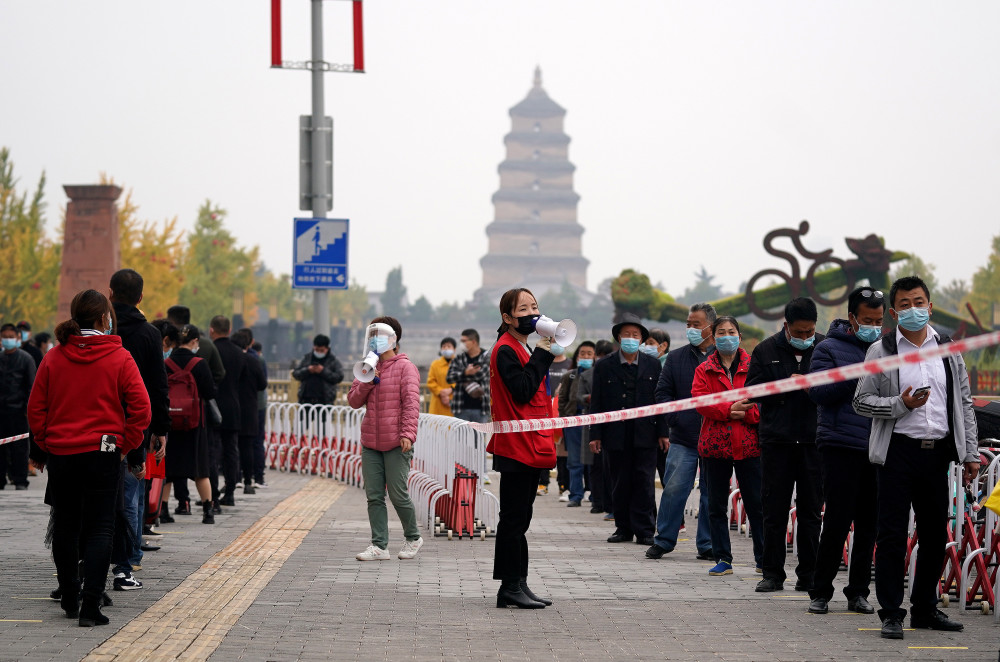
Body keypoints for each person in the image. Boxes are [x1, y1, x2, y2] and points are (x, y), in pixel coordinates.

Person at [854, 275, 978, 639]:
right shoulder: (882, 350)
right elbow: (861, 401)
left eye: (919, 302)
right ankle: (891, 612)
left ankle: (925, 608)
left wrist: (969, 451)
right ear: (894, 312)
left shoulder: (948, 350)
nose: (913, 309)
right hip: (897, 452)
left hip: (937, 453)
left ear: (930, 306)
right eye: (905, 304)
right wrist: (900, 404)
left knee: (934, 535)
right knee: (892, 535)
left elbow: (964, 404)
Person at [27, 289, 151, 627]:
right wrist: (126, 444)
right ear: (103, 319)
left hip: (63, 453)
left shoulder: (54, 357)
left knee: (65, 525)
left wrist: (45, 440)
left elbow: (36, 408)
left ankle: (69, 595)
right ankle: (91, 604)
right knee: (100, 527)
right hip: (104, 452)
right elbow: (141, 407)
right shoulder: (119, 357)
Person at [806, 287, 885, 616]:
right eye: (868, 320)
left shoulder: (887, 350)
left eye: (879, 320)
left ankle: (858, 592)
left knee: (869, 524)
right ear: (852, 318)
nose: (874, 326)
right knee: (837, 519)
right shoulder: (828, 348)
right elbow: (818, 392)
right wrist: (855, 376)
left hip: (877, 445)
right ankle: (821, 591)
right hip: (839, 444)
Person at [747, 297, 825, 593]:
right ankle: (772, 573)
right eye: (799, 332)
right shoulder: (766, 350)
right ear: (786, 326)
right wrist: (783, 386)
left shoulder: (825, 348)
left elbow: (836, 388)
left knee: (810, 511)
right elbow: (752, 390)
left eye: (810, 332)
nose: (805, 338)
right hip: (777, 442)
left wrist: (809, 384)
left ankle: (809, 575)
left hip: (813, 441)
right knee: (774, 510)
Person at [488, 287, 556, 609]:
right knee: (513, 519)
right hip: (516, 446)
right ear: (507, 317)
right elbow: (523, 390)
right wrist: (544, 352)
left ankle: (519, 583)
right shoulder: (506, 349)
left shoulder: (520, 347)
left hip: (527, 444)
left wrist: (540, 351)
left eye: (535, 307)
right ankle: (508, 586)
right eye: (524, 309)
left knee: (521, 519)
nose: (532, 314)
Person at [108, 268, 171, 591]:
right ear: (141, 298)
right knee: (131, 491)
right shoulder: (148, 335)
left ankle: (89, 557)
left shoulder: (100, 330)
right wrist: (160, 427)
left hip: (97, 422)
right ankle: (129, 558)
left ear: (110, 293)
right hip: (136, 424)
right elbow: (159, 386)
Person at [692, 316, 764, 576]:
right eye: (720, 332)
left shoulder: (755, 365)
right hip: (715, 446)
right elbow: (700, 401)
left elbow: (762, 402)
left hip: (749, 445)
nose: (726, 336)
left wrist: (744, 414)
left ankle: (763, 558)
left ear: (740, 336)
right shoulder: (704, 369)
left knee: (756, 503)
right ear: (713, 338)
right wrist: (728, 411)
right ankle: (723, 557)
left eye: (731, 331)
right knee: (716, 505)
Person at [348, 316, 423, 562]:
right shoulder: (368, 367)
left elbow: (411, 404)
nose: (375, 340)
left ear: (393, 339)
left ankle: (413, 537)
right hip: (370, 441)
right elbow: (354, 401)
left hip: (395, 441)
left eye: (379, 335)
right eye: (372, 335)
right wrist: (369, 379)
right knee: (374, 495)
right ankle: (379, 545)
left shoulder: (405, 367)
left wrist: (407, 434)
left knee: (399, 494)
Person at [589, 313, 668, 546]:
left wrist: (663, 432)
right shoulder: (604, 366)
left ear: (642, 339)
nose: (631, 338)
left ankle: (645, 530)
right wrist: (596, 435)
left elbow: (660, 402)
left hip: (646, 433)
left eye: (636, 335)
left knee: (644, 481)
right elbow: (597, 402)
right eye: (627, 335)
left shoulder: (653, 364)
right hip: (615, 434)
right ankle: (623, 528)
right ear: (619, 338)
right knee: (619, 481)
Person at [646, 303, 716, 562]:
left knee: (711, 492)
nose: (690, 329)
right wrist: (676, 419)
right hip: (684, 437)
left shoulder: (724, 357)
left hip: (716, 437)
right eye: (688, 324)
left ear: (710, 327)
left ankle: (708, 544)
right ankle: (664, 540)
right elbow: (662, 394)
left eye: (696, 325)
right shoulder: (676, 358)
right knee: (674, 488)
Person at [162, 323, 218, 524]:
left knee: (167, 469)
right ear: (195, 341)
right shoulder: (200, 363)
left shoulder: (167, 364)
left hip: (170, 423)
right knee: (200, 469)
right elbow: (210, 392)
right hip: (195, 423)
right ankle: (208, 511)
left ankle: (163, 511)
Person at [211, 315, 246, 507]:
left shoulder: (210, 350)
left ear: (212, 330)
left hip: (214, 406)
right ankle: (230, 492)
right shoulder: (239, 353)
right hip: (233, 405)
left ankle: (212, 494)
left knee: (213, 451)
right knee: (231, 451)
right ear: (229, 330)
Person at [557, 341, 595, 507]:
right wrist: (566, 417)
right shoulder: (570, 376)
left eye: (589, 354)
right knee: (574, 461)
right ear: (577, 356)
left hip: (593, 422)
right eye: (582, 353)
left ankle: (594, 493)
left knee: (592, 460)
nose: (585, 357)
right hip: (573, 422)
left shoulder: (598, 375)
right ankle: (575, 495)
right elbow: (562, 399)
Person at [579, 340, 614, 517]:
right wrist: (590, 398)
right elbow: (578, 397)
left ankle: (609, 504)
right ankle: (597, 500)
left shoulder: (615, 371)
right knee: (594, 466)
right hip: (592, 423)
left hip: (611, 425)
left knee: (609, 467)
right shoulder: (587, 375)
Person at [231, 330, 267, 494]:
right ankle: (248, 481)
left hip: (232, 408)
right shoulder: (254, 361)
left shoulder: (230, 360)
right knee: (248, 446)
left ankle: (233, 480)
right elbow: (262, 385)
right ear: (248, 344)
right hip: (250, 409)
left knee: (231, 447)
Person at [0, 323, 35, 490]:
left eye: (10, 337)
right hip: (1, 411)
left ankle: (20, 479)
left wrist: (29, 408)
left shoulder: (26, 359)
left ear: (17, 338)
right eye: (4, 337)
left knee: (19, 448)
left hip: (19, 411)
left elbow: (31, 386)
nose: (7, 340)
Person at [541, 341, 572, 497]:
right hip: (544, 413)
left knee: (562, 452)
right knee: (543, 448)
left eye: (557, 342)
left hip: (561, 414)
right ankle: (542, 483)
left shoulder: (570, 365)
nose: (555, 345)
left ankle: (563, 484)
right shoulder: (543, 362)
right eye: (552, 341)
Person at [167, 306, 225, 385]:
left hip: (171, 394)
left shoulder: (166, 342)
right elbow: (219, 373)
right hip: (197, 394)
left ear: (171, 321)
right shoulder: (207, 344)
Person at [446, 329, 491, 423]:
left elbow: (482, 375)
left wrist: (460, 376)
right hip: (460, 408)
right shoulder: (459, 358)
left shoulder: (487, 357)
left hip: (481, 408)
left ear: (473, 342)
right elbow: (449, 378)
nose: (461, 344)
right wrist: (465, 373)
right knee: (460, 437)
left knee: (479, 437)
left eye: (464, 341)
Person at [292, 334, 344, 406]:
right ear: (313, 347)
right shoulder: (307, 358)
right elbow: (295, 373)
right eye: (316, 350)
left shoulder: (333, 361)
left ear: (327, 348)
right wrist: (308, 370)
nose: (319, 352)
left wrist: (323, 371)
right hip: (305, 399)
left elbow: (339, 377)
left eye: (322, 350)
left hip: (325, 400)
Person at [426, 337, 457, 417]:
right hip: (438, 402)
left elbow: (462, 381)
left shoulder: (458, 364)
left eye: (449, 346)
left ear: (454, 349)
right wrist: (441, 393)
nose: (446, 348)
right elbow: (430, 382)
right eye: (444, 346)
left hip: (454, 402)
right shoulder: (435, 364)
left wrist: (451, 389)